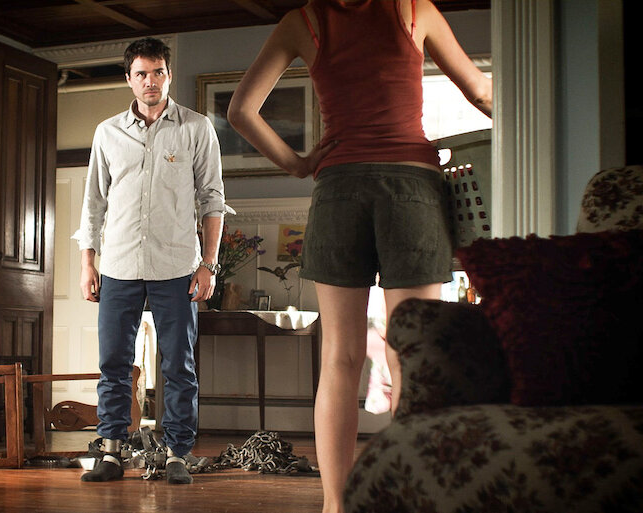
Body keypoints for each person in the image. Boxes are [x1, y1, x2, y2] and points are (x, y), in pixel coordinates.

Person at [227, 1, 491, 511]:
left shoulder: (304, 20)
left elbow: (240, 111)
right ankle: (410, 498)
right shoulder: (413, 8)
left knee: (339, 358)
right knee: (410, 354)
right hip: (411, 189)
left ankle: (336, 505)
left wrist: (299, 164)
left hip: (339, 191)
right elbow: (481, 92)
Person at [73, 37, 229, 485]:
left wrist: (209, 264)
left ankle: (178, 453)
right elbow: (93, 204)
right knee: (113, 363)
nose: (150, 81)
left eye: (158, 72)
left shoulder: (196, 128)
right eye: (141, 73)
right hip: (118, 265)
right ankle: (111, 452)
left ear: (169, 75)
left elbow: (212, 199)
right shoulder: (107, 133)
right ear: (129, 79)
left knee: (178, 364)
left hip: (177, 266)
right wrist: (87, 263)